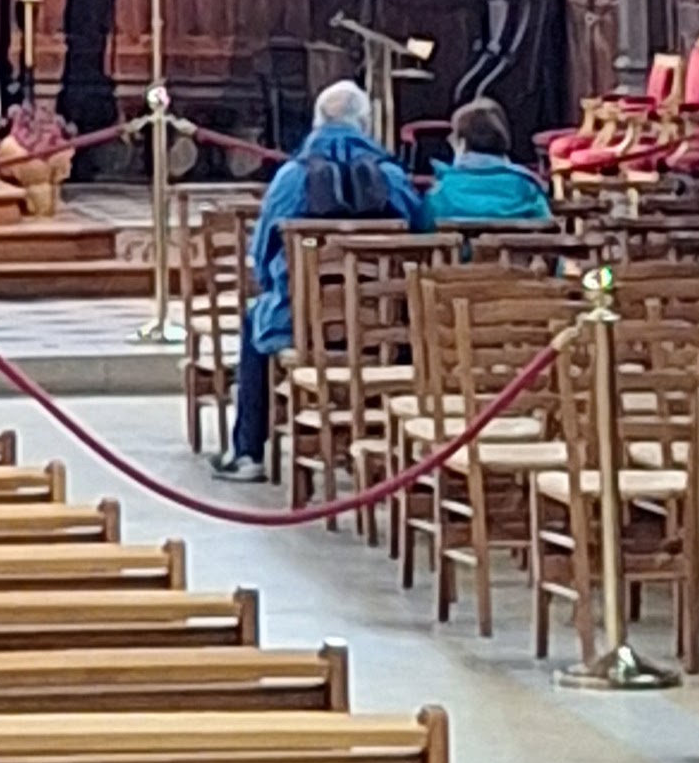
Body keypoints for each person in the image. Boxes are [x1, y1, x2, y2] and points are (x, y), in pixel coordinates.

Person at [216, 77, 435, 475]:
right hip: (384, 326)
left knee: (254, 320)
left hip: (301, 322)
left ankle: (248, 452)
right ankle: (403, 447)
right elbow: (422, 238)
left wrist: (281, 288)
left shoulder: (292, 177)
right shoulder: (390, 176)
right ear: (365, 124)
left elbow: (263, 254)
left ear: (317, 121)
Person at [424, 94, 553, 231]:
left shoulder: (441, 190)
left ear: (462, 143)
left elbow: (423, 228)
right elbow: (546, 228)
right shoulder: (527, 188)